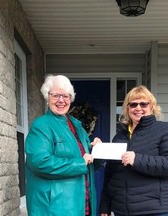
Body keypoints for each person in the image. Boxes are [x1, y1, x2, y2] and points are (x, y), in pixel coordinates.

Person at [99, 85, 168, 216]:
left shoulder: (165, 130)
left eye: (143, 104)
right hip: (123, 210)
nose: (138, 108)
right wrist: (105, 205)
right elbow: (110, 174)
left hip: (156, 210)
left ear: (152, 107)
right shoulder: (119, 137)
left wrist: (137, 159)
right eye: (133, 104)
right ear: (127, 108)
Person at [25, 74, 101, 216]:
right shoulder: (41, 126)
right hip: (56, 207)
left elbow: (89, 164)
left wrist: (98, 151)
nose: (61, 100)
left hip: (82, 204)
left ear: (71, 99)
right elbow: (40, 163)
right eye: (56, 96)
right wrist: (80, 163)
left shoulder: (77, 126)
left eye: (65, 96)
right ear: (47, 97)